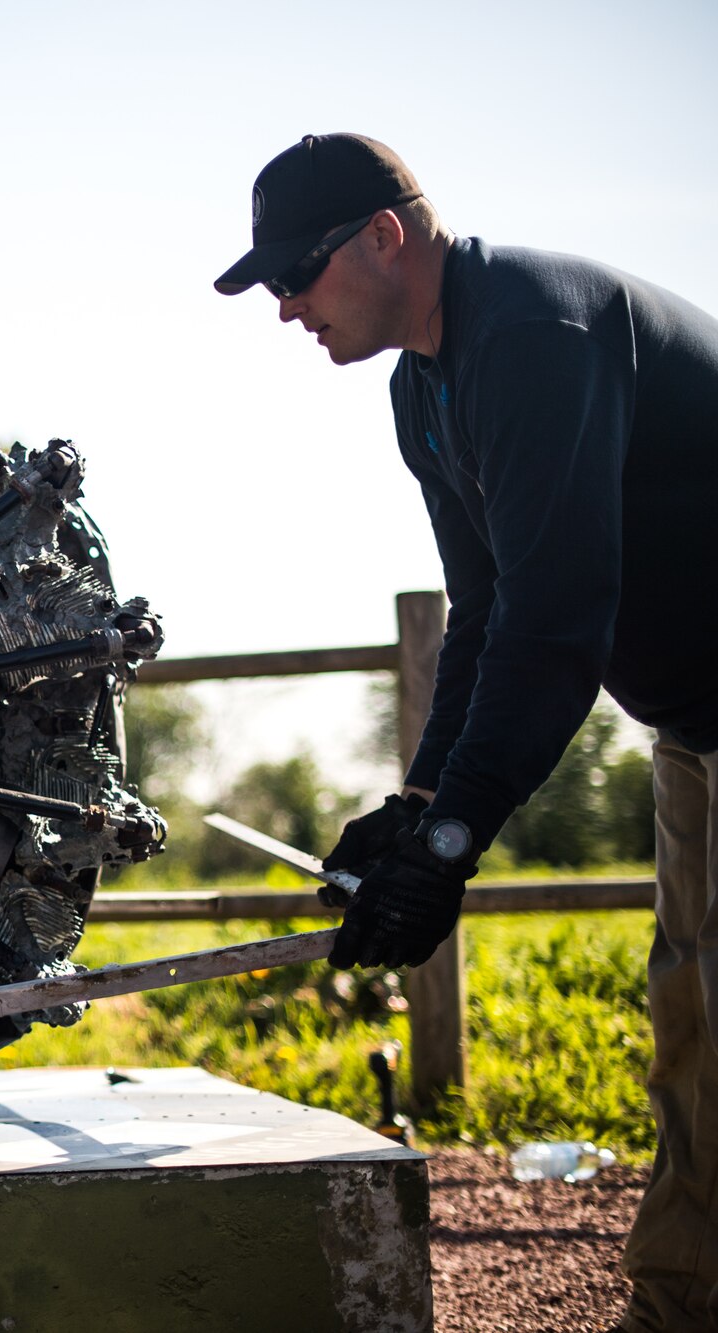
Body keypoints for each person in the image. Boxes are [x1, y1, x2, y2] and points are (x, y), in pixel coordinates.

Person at [214, 133, 718, 1332]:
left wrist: (451, 844)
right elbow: (484, 615)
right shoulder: (423, 387)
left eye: (296, 272)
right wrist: (412, 809)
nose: (283, 306)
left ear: (383, 235)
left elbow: (556, 624)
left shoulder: (536, 338)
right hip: (693, 727)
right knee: (691, 1031)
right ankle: (680, 1307)